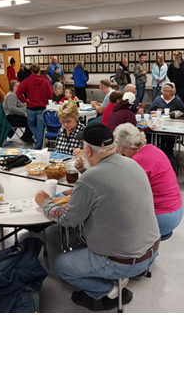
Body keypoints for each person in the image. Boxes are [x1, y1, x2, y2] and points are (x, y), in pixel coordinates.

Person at [34, 123, 160, 311]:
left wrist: (44, 202)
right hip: (152, 249)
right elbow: (107, 187)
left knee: (59, 265)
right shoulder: (132, 163)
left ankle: (108, 289)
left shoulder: (90, 179)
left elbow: (68, 219)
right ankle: (116, 276)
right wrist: (86, 171)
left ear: (88, 150)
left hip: (126, 260)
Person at [113, 123, 183, 239]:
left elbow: (121, 189)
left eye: (121, 149)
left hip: (161, 217)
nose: (121, 152)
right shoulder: (153, 149)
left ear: (129, 146)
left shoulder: (137, 161)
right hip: (176, 210)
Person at [15, 63, 52, 150]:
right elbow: (50, 95)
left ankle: (40, 143)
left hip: (30, 108)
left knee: (31, 125)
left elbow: (18, 92)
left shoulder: (27, 81)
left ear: (31, 71)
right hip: (42, 108)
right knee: (40, 127)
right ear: (39, 71)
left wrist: (24, 100)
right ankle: (40, 144)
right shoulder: (45, 81)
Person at [3, 80, 34, 145]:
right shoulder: (11, 95)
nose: (18, 87)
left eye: (18, 85)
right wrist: (24, 113)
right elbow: (12, 108)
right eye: (15, 86)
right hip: (12, 117)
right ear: (12, 87)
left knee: (33, 118)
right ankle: (25, 138)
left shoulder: (19, 94)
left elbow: (24, 105)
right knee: (31, 120)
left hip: (18, 115)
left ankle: (28, 137)